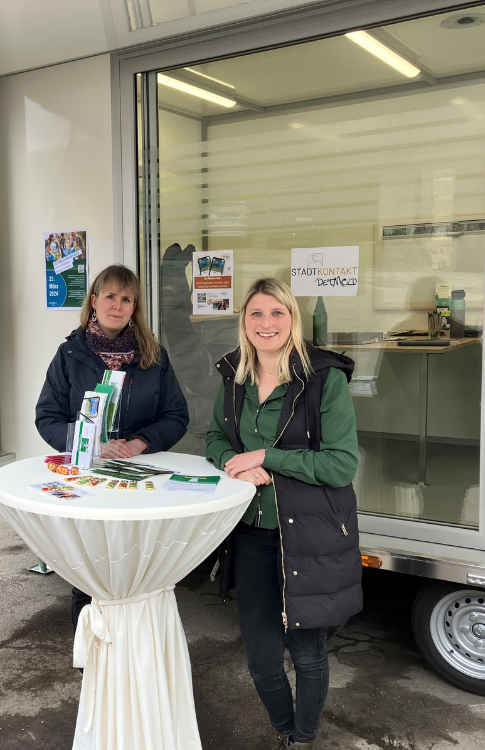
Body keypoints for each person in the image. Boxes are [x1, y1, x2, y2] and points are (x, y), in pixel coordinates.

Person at [205, 277, 362, 749]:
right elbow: (214, 439)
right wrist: (235, 466)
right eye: (256, 313)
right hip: (252, 532)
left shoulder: (323, 379)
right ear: (244, 322)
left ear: (292, 319)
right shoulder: (234, 378)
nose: (266, 323)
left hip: (309, 534)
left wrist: (266, 457)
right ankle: (283, 728)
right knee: (260, 655)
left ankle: (304, 739)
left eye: (277, 313)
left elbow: (342, 463)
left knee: (308, 652)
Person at [36, 264, 190, 630]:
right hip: (86, 478)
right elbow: (48, 418)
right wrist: (88, 443)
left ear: (135, 308)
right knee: (88, 572)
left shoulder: (154, 357)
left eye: (127, 299)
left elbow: (176, 415)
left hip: (139, 480)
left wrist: (141, 442)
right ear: (93, 302)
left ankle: (136, 654)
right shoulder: (69, 356)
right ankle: (90, 662)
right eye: (110, 296)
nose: (117, 306)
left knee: (139, 568)